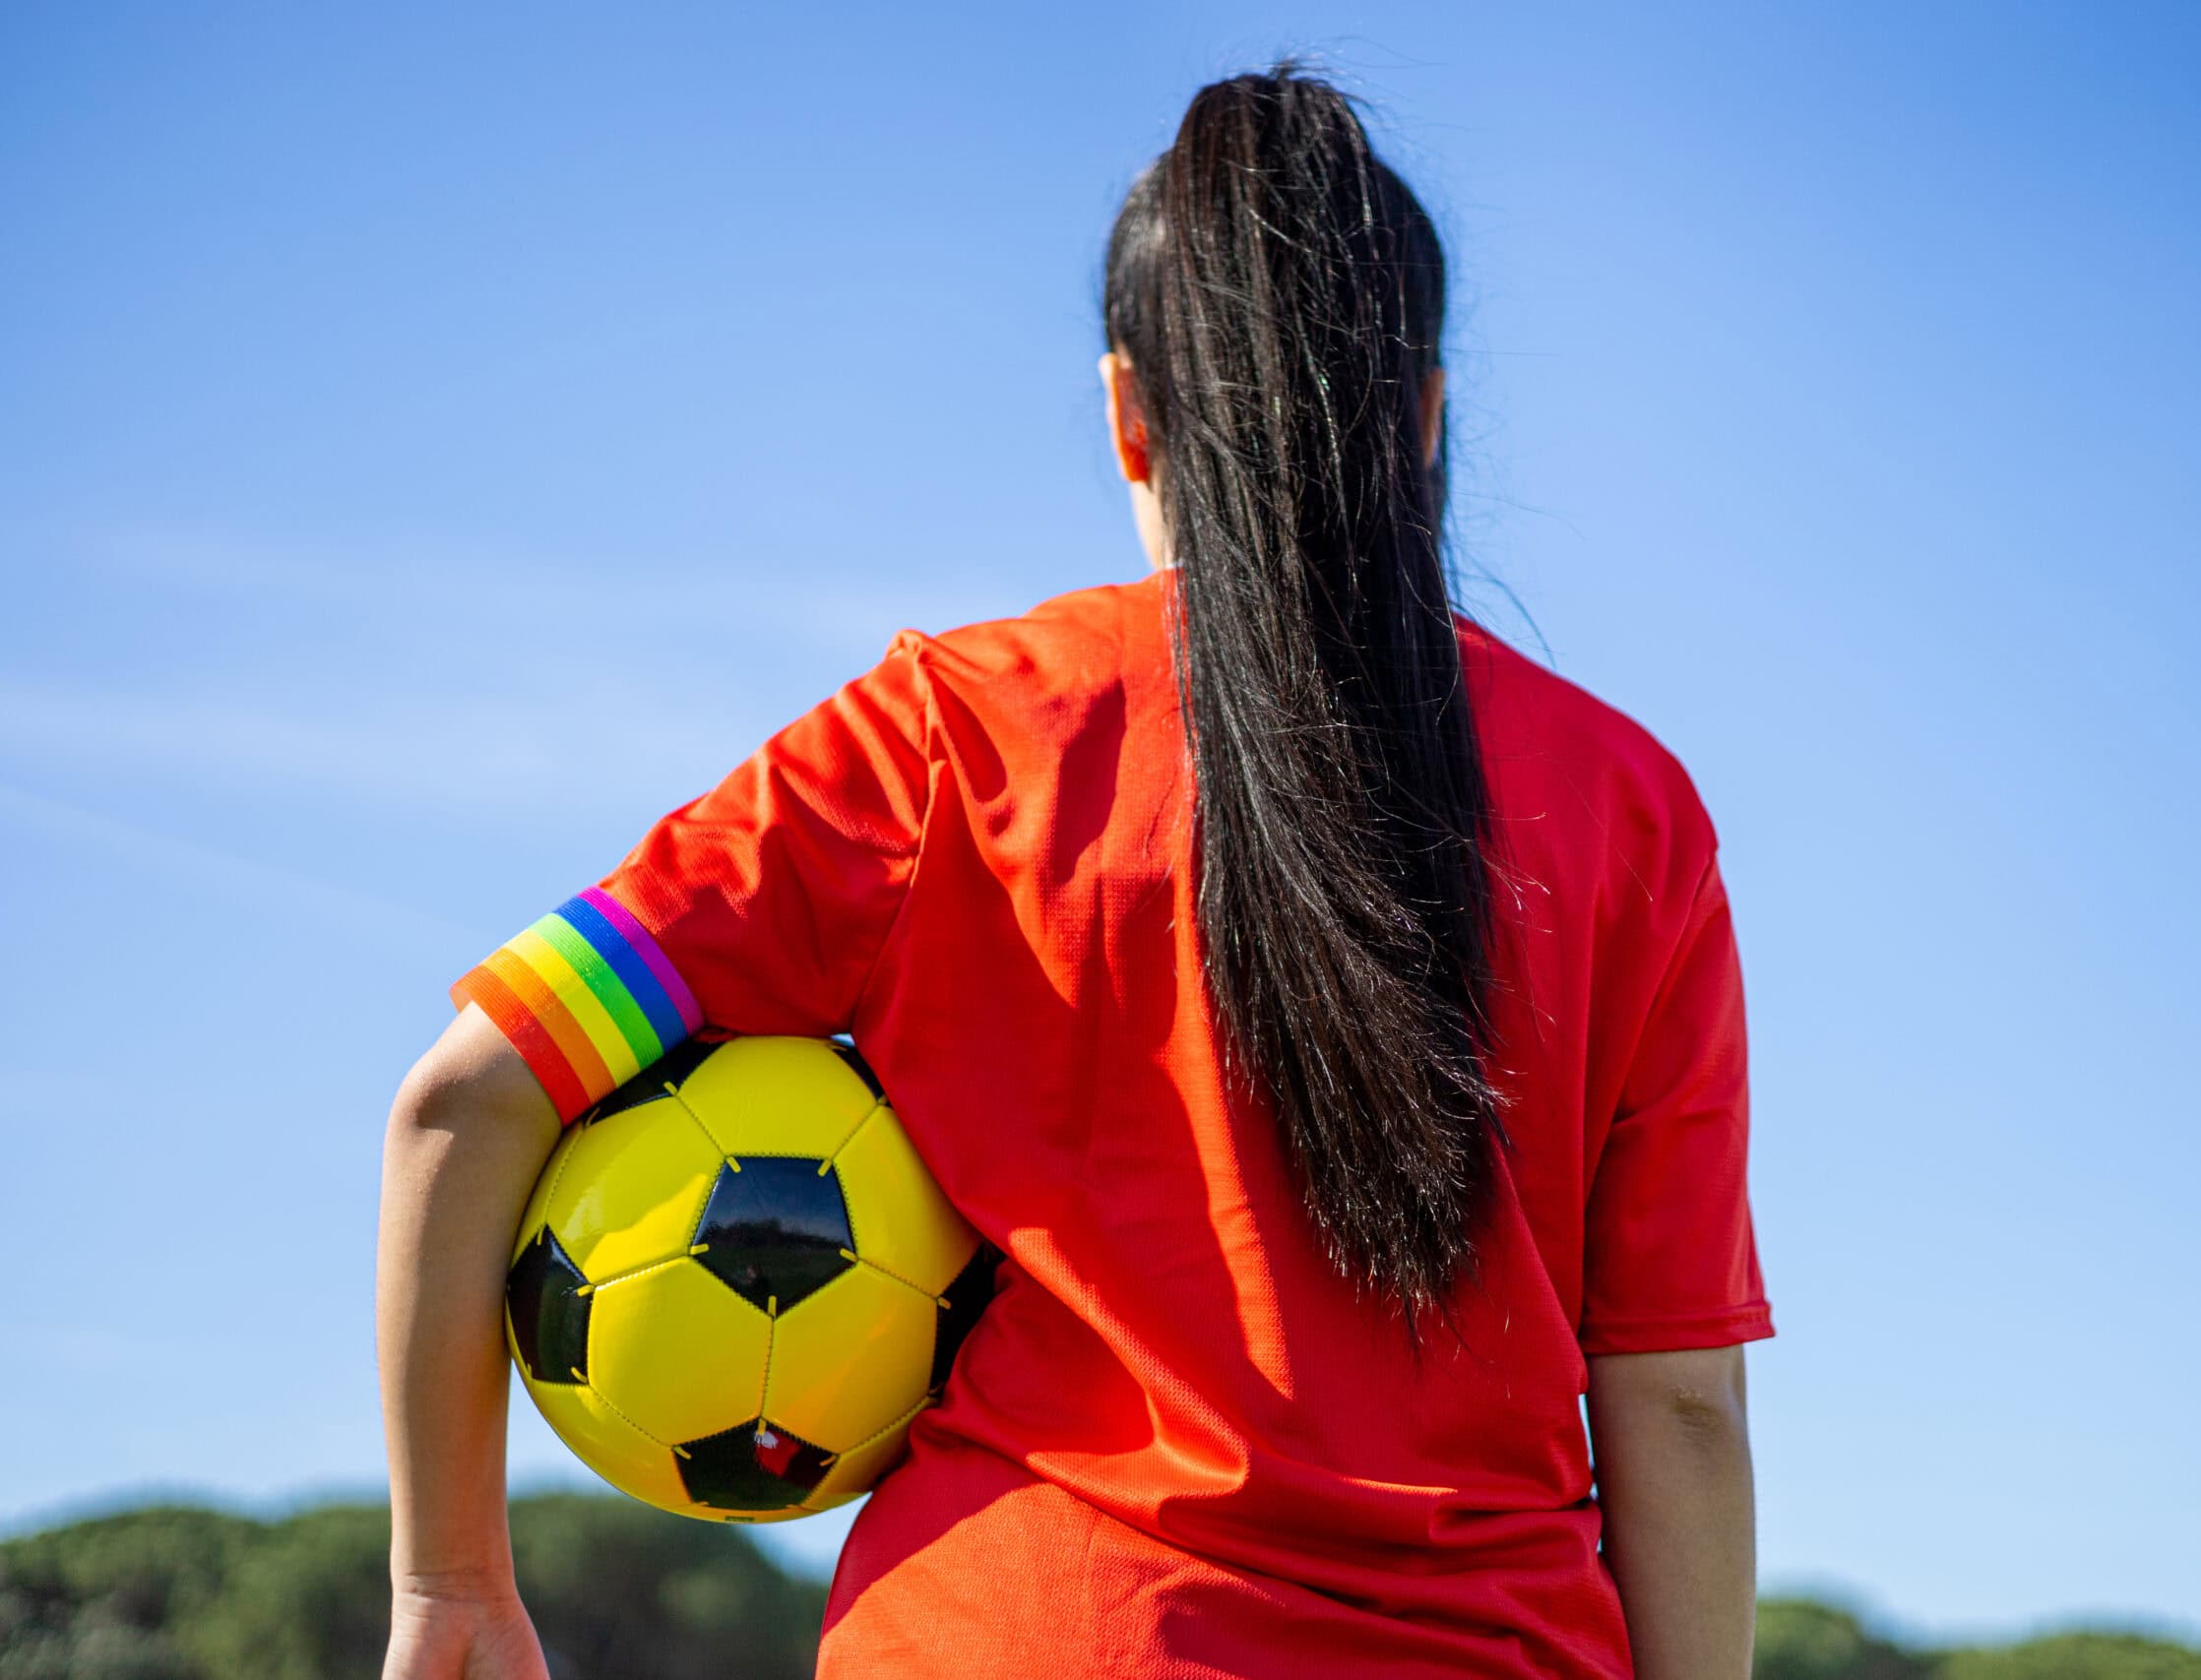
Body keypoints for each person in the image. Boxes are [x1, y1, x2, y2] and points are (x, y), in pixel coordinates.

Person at [377, 62, 1771, 1680]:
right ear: (1429, 415)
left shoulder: (947, 737)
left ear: (1129, 412)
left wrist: (451, 1584)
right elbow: (1674, 1394)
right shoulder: (1635, 811)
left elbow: (462, 1102)